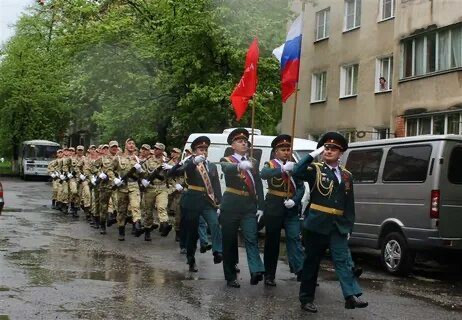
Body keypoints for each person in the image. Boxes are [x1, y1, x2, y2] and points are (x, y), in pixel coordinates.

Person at [292, 132, 368, 313]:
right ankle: (306, 299)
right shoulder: (316, 169)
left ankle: (351, 296)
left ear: (341, 153)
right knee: (312, 263)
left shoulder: (347, 175)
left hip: (338, 225)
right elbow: (297, 171)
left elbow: (349, 204)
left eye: (333, 149)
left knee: (342, 261)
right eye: (326, 148)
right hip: (317, 224)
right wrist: (312, 154)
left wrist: (349, 226)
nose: (329, 151)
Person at [219, 128, 265, 288]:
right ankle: (230, 276)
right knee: (229, 241)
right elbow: (226, 169)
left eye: (245, 141)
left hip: (248, 206)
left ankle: (256, 270)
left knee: (251, 238)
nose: (244, 143)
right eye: (240, 141)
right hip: (231, 206)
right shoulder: (227, 159)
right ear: (233, 145)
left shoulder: (253, 161)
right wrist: (239, 166)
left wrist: (261, 206)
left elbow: (258, 183)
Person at [260, 134, 305, 286]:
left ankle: (300, 270)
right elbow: (263, 174)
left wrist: (295, 200)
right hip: (274, 206)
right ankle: (269, 274)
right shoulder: (270, 164)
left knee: (294, 238)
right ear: (276, 152)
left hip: (290, 208)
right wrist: (281, 170)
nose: (286, 152)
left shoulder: (294, 166)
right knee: (272, 242)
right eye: (283, 149)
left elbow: (300, 187)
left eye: (288, 149)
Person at [177, 136, 223, 272]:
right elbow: (184, 170)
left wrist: (219, 202)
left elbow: (216, 185)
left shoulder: (212, 165)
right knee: (192, 232)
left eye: (205, 149)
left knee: (214, 224)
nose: (203, 151)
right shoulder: (190, 162)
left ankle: (217, 252)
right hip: (192, 201)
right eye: (200, 149)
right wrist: (193, 162)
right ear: (194, 151)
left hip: (207, 201)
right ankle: (191, 259)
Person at [112, 139, 143, 240]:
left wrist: (140, 170)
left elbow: (143, 174)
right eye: (129, 143)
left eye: (133, 144)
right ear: (125, 145)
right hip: (122, 187)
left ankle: (138, 225)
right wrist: (114, 179)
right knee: (121, 210)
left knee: (135, 206)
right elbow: (109, 170)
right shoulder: (118, 158)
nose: (131, 145)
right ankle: (121, 230)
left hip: (134, 185)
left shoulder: (137, 159)